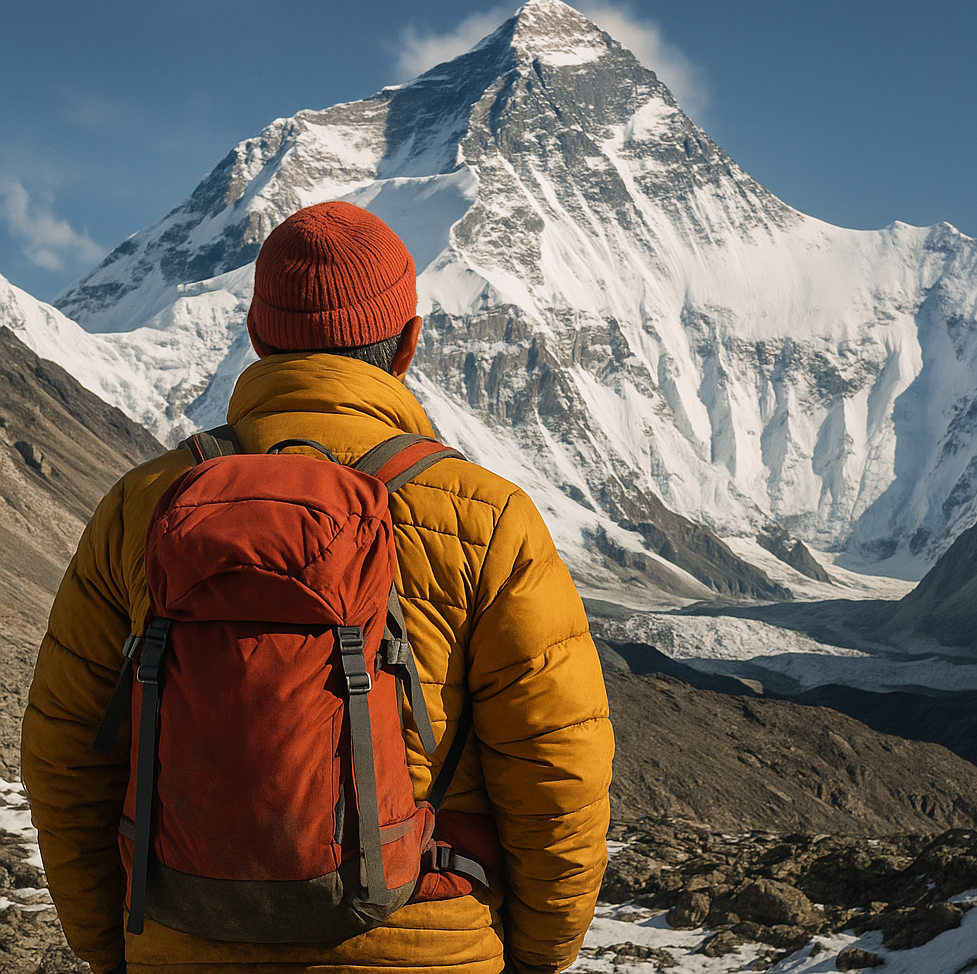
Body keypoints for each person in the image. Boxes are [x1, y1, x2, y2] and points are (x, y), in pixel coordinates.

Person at [21, 201, 614, 974]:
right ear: (408, 343)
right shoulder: (487, 516)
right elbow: (555, 773)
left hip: (181, 945)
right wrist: (535, 960)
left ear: (258, 337)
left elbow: (66, 754)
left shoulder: (144, 506)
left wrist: (118, 951)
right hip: (427, 946)